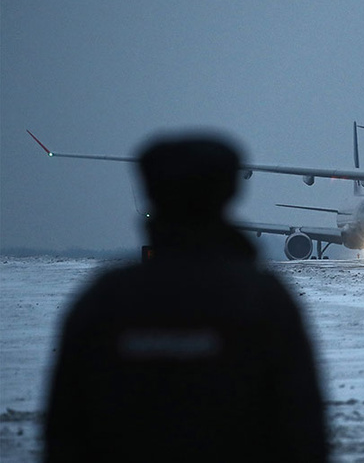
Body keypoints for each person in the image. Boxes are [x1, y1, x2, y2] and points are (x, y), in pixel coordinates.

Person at [44, 133, 328, 462]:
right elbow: (301, 425)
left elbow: (65, 428)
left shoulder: (103, 299)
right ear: (231, 193)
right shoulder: (263, 298)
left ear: (150, 192)